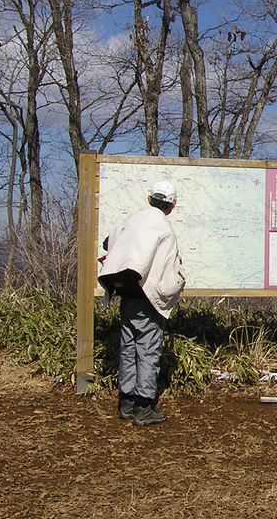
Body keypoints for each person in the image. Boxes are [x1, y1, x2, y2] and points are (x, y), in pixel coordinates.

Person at [98, 180, 185, 426]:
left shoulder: (132, 220)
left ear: (149, 199)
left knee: (128, 348)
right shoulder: (164, 228)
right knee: (147, 351)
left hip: (127, 294)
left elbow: (108, 243)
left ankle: (126, 403)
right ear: (173, 205)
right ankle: (144, 407)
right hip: (149, 298)